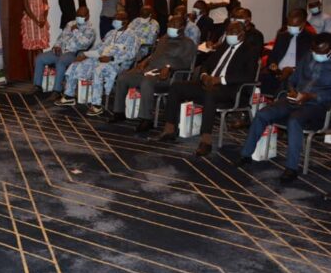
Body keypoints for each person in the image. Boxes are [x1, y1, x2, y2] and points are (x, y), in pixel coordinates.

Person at [154, 21, 260, 156]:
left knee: (211, 93)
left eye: (233, 33)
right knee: (176, 87)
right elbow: (206, 64)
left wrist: (220, 80)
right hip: (209, 83)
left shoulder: (250, 50)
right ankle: (169, 129)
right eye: (228, 32)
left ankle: (206, 140)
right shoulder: (224, 46)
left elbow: (248, 76)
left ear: (242, 34)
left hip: (231, 90)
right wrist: (204, 76)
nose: (229, 35)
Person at [236, 33, 331, 184]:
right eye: (314, 51)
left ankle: (291, 169)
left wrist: (309, 96)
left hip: (318, 106)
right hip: (294, 99)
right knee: (262, 114)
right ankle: (246, 154)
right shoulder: (308, 56)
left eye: (320, 52)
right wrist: (292, 90)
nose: (316, 54)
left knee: (294, 121)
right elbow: (293, 79)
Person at [108, 16, 197, 132]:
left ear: (182, 27)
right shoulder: (164, 39)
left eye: (175, 25)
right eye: (170, 24)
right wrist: (146, 61)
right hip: (149, 70)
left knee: (147, 82)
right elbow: (155, 54)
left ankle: (146, 119)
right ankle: (119, 112)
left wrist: (170, 67)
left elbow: (186, 63)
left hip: (168, 76)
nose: (171, 27)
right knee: (123, 77)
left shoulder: (188, 43)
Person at [56, 11, 139, 116]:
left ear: (126, 21)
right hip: (101, 59)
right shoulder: (110, 33)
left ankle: (96, 105)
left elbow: (131, 54)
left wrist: (111, 58)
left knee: (98, 70)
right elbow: (99, 48)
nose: (115, 21)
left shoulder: (132, 36)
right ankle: (69, 96)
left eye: (118, 19)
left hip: (118, 63)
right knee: (75, 64)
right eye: (114, 18)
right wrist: (86, 55)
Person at [32, 7, 95, 101]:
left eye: (81, 16)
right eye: (77, 15)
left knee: (60, 62)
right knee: (39, 58)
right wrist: (56, 46)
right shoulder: (70, 24)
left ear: (87, 16)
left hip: (73, 53)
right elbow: (61, 37)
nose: (79, 17)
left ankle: (57, 91)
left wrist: (76, 31)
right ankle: (37, 86)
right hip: (60, 50)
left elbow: (84, 44)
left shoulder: (90, 29)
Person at [259, 8, 313, 97]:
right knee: (260, 78)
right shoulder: (282, 36)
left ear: (303, 24)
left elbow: (310, 64)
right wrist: (273, 65)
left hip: (296, 74)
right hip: (277, 72)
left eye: (294, 25)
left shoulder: (311, 39)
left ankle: (278, 102)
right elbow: (272, 57)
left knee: (287, 82)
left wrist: (292, 70)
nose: (291, 27)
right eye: (289, 24)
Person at [21, 0, 50, 76]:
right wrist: (35, 20)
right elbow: (25, 6)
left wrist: (44, 18)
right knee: (31, 47)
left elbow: (46, 3)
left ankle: (41, 72)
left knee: (40, 47)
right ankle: (32, 73)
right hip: (30, 20)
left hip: (42, 20)